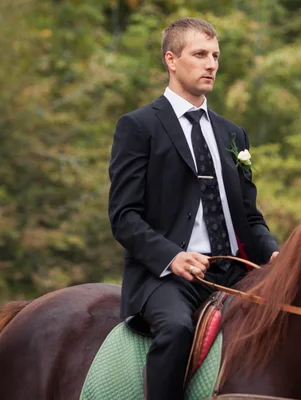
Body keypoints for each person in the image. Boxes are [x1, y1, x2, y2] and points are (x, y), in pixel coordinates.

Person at [108, 17, 279, 400]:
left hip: (235, 270)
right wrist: (174, 257)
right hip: (167, 276)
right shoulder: (138, 127)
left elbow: (249, 217)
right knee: (176, 330)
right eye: (200, 54)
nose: (211, 64)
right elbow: (124, 217)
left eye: (215, 56)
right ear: (171, 60)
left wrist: (276, 254)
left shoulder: (233, 134)